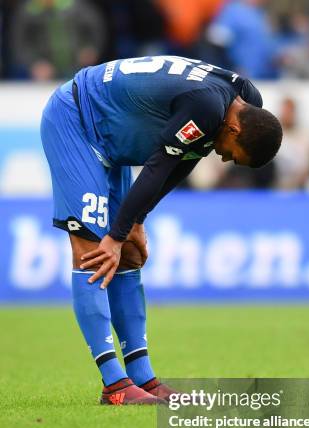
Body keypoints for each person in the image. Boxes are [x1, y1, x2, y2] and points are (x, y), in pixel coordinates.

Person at [40, 55, 283, 405]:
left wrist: (135, 222)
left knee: (127, 258)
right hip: (76, 119)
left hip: (110, 140)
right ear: (235, 130)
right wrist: (118, 233)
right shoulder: (207, 106)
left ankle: (142, 377)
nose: (225, 159)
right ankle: (115, 386)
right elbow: (160, 164)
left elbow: (187, 156)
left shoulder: (244, 101)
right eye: (232, 154)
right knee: (93, 252)